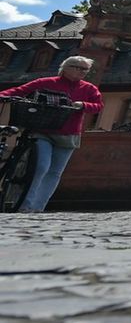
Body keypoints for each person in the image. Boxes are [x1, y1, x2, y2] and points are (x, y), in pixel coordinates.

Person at [0, 55, 104, 212]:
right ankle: (25, 206)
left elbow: (98, 106)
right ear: (66, 67)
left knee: (55, 172)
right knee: (41, 167)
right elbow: (20, 91)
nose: (83, 72)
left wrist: (83, 105)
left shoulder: (89, 88)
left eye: (86, 69)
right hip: (43, 131)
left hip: (69, 134)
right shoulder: (46, 82)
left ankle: (38, 208)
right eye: (79, 68)